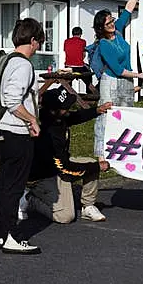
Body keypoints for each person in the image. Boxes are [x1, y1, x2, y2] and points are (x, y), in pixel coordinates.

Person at [0, 18, 45, 254]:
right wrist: (32, 119)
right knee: (14, 186)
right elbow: (12, 101)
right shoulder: (23, 65)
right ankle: (13, 235)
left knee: (2, 184)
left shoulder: (5, 61)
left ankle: (1, 235)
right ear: (32, 40)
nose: (38, 48)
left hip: (0, 128)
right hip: (16, 131)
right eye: (39, 43)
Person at [25, 87, 112, 223]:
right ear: (54, 111)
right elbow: (65, 168)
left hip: (58, 165)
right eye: (65, 107)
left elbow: (75, 117)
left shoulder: (58, 118)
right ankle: (30, 199)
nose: (69, 109)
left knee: (89, 162)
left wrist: (97, 110)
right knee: (66, 216)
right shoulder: (48, 135)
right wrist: (96, 167)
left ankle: (88, 206)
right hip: (44, 176)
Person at [92, 0, 143, 157]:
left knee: (126, 114)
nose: (111, 24)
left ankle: (122, 151)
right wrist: (139, 76)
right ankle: (101, 153)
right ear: (101, 27)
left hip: (126, 81)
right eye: (107, 23)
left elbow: (128, 9)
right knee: (107, 115)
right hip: (112, 81)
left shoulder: (118, 32)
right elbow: (117, 69)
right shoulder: (103, 44)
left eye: (111, 20)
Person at [63, 26, 92, 91]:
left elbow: (67, 52)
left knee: (67, 81)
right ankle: (89, 92)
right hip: (79, 66)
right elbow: (83, 55)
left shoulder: (66, 41)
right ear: (80, 34)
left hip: (68, 66)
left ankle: (68, 92)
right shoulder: (83, 41)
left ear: (72, 33)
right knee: (89, 74)